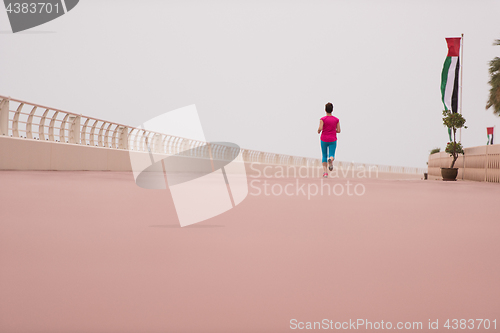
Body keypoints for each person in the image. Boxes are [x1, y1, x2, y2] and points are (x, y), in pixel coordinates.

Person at [317, 102, 340, 178]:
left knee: (324, 155)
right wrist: (333, 130)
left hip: (324, 139)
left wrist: (318, 130)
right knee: (332, 154)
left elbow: (320, 128)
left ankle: (325, 173)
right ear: (332, 110)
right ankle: (330, 159)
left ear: (325, 110)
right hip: (332, 139)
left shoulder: (322, 119)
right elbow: (339, 130)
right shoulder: (336, 120)